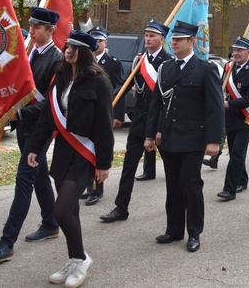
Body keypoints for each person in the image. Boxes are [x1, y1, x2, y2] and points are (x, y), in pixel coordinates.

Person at [27, 30, 114, 287]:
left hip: (86, 153)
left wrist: (104, 164)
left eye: (74, 48)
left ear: (85, 52)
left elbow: (104, 125)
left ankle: (81, 258)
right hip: (64, 151)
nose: (68, 51)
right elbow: (48, 116)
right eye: (67, 46)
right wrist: (35, 146)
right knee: (71, 211)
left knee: (61, 209)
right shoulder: (60, 77)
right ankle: (74, 260)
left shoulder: (99, 82)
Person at [0, 8, 62, 262]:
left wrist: (20, 115)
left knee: (24, 179)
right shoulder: (28, 54)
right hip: (24, 127)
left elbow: (52, 102)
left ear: (51, 30)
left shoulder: (58, 60)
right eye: (32, 25)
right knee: (38, 176)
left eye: (39, 27)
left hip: (39, 129)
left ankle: (7, 242)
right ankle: (50, 223)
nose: (34, 30)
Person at [145, 21, 224, 252]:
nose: (174, 42)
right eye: (173, 39)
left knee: (191, 185)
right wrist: (150, 135)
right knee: (173, 186)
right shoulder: (165, 68)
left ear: (192, 41)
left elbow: (215, 107)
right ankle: (174, 229)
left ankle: (194, 233)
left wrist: (213, 140)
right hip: (169, 138)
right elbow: (157, 104)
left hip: (193, 139)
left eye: (179, 39)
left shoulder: (206, 69)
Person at [100, 19, 171, 223]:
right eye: (146, 35)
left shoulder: (168, 62)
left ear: (162, 39)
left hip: (160, 123)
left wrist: (159, 129)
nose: (148, 39)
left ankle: (177, 208)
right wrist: (114, 108)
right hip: (139, 121)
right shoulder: (139, 60)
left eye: (152, 35)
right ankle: (120, 208)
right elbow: (125, 86)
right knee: (128, 167)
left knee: (173, 171)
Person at [82, 26, 126, 206]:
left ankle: (96, 189)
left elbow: (120, 89)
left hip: (105, 111)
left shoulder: (114, 62)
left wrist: (117, 115)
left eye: (100, 41)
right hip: (87, 113)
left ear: (106, 43)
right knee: (86, 150)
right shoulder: (85, 60)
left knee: (99, 151)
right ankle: (88, 186)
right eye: (94, 40)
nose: (96, 43)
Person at [216, 36, 249, 201]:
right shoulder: (228, 68)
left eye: (239, 50)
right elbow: (222, 88)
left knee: (236, 153)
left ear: (248, 52)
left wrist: (228, 104)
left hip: (245, 119)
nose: (235, 53)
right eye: (234, 50)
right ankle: (242, 180)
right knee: (237, 152)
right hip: (229, 118)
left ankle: (229, 189)